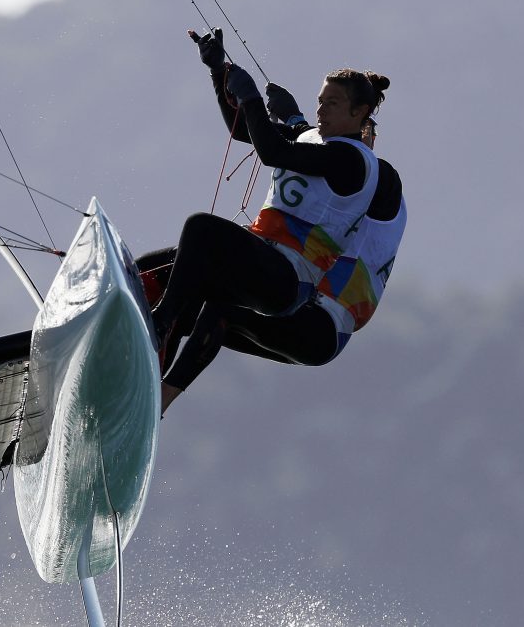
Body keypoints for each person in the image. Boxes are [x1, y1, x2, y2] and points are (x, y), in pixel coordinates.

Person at [148, 27, 389, 412]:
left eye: (333, 104)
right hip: (265, 260)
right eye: (320, 101)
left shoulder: (352, 160)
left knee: (202, 228)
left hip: (288, 279)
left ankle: (158, 326)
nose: (321, 110)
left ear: (359, 113)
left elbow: (271, 151)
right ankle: (148, 378)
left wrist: (250, 96)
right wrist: (218, 71)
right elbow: (243, 130)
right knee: (164, 269)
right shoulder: (315, 140)